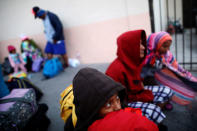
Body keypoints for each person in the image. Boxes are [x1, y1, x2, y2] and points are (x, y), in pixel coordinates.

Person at [105, 30, 173, 125]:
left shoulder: (134, 60)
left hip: (137, 93)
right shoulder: (115, 70)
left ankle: (149, 119)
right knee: (154, 111)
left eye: (142, 44)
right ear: (129, 47)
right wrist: (146, 96)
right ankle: (146, 121)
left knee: (167, 91)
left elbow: (138, 83)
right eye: (139, 45)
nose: (143, 47)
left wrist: (143, 92)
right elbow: (121, 101)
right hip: (125, 102)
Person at [64, 67, 158, 131]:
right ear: (92, 109)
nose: (117, 107)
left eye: (117, 99)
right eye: (108, 104)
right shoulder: (77, 126)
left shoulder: (119, 110)